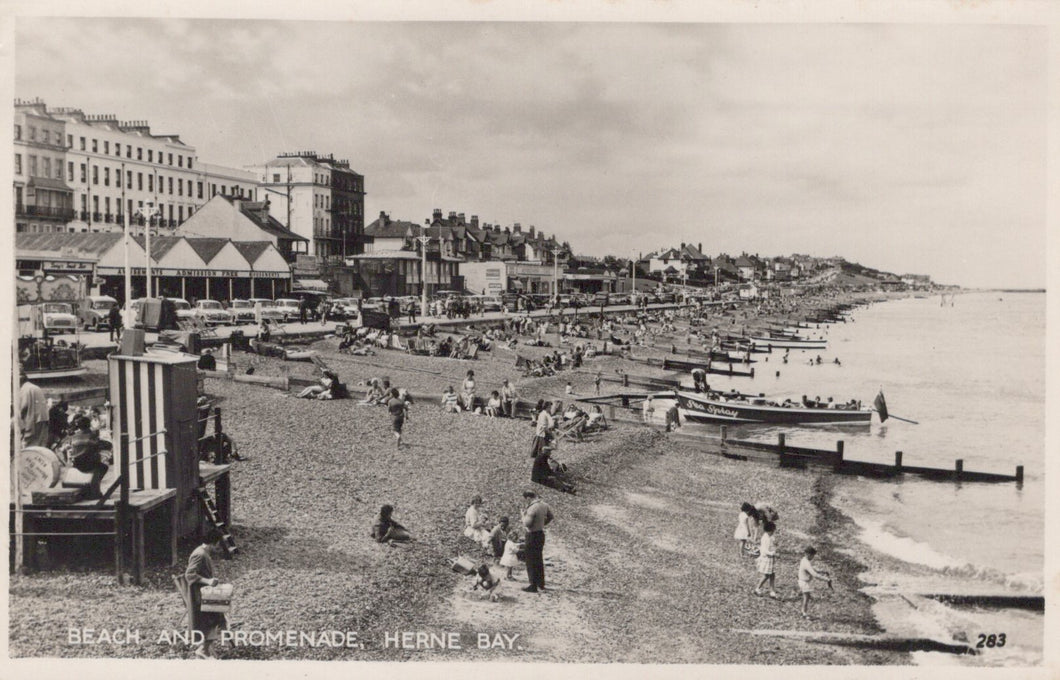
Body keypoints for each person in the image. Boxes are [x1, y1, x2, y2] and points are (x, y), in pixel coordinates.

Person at [184, 528, 227, 659]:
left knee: (217, 617)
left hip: (205, 592)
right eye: (219, 544)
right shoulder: (199, 554)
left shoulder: (204, 552)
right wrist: (208, 581)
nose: (219, 548)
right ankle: (203, 650)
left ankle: (205, 649)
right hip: (200, 595)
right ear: (213, 542)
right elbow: (189, 574)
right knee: (214, 618)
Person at [520, 490, 553, 593]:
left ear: (528, 498)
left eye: (526, 500)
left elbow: (527, 524)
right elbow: (551, 516)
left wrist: (522, 516)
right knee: (538, 559)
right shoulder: (544, 505)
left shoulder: (532, 508)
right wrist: (542, 523)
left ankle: (532, 585)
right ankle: (540, 584)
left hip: (532, 534)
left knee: (530, 560)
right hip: (540, 534)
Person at [798, 546, 831, 619]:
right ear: (808, 554)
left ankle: (803, 611)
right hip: (804, 582)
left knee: (807, 597)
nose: (813, 557)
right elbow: (814, 574)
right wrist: (826, 579)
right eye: (812, 555)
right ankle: (804, 613)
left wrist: (821, 571)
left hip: (803, 581)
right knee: (806, 598)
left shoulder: (804, 560)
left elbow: (812, 569)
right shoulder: (806, 562)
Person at [19, 372, 50, 448]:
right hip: (43, 418)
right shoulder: (34, 387)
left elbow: (22, 407)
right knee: (40, 443)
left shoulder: (25, 389)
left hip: (35, 419)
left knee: (31, 445)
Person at [753, 520, 779, 599]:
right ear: (770, 530)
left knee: (772, 574)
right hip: (767, 558)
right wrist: (773, 553)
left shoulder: (770, 537)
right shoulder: (765, 538)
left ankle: (772, 591)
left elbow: (773, 545)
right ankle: (757, 588)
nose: (773, 532)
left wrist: (775, 547)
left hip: (770, 558)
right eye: (773, 530)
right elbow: (764, 550)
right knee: (766, 575)